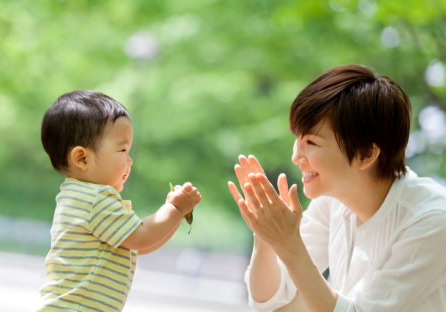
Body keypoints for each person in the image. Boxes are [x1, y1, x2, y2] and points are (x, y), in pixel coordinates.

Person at [228, 65, 446, 312]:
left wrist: (289, 245)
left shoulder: (432, 222)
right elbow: (267, 302)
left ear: (366, 154)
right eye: (297, 139)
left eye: (311, 142)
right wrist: (265, 238)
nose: (296, 156)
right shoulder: (333, 199)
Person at [37, 90, 201, 311]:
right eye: (123, 149)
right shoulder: (94, 199)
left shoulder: (77, 196)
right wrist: (175, 207)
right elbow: (141, 237)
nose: (129, 160)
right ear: (82, 158)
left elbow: (137, 247)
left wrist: (176, 215)